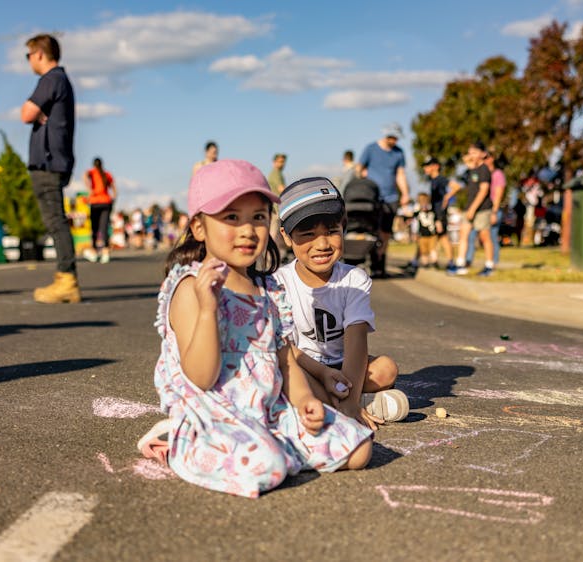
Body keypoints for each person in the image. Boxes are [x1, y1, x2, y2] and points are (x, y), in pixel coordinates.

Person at [140, 159, 373, 498]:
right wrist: (208, 310)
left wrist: (305, 400)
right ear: (200, 227)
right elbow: (201, 377)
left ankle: (277, 445)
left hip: (270, 411)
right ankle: (174, 441)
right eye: (231, 218)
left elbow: (284, 360)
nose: (248, 230)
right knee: (267, 466)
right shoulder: (191, 287)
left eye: (258, 217)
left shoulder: (268, 290)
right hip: (215, 415)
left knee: (359, 450)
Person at [273, 177, 406, 431]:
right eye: (308, 235)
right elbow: (286, 349)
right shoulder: (279, 283)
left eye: (332, 231)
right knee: (282, 376)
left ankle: (343, 404)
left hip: (344, 368)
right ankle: (351, 405)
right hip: (305, 366)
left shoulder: (354, 279)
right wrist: (324, 376)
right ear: (286, 237)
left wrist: (349, 395)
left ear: (343, 226)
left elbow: (356, 340)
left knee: (386, 369)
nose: (322, 244)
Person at [21, 34, 79, 303]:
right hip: (56, 159)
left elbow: (26, 114)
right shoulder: (60, 80)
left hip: (48, 161)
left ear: (40, 54)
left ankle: (66, 280)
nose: (29, 61)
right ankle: (65, 277)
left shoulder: (51, 79)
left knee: (55, 221)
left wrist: (36, 111)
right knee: (56, 221)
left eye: (29, 55)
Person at [358, 123, 411, 278]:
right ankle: (371, 260)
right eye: (391, 137)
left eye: (396, 138)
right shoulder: (371, 149)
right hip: (372, 198)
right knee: (372, 230)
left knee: (386, 232)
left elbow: (400, 174)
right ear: (386, 135)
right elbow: (359, 169)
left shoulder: (398, 153)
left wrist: (405, 194)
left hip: (391, 197)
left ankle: (381, 262)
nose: (394, 140)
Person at [446, 142, 495, 276]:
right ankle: (460, 264)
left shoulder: (484, 169)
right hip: (469, 208)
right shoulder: (471, 170)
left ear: (482, 154)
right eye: (470, 152)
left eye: (474, 152)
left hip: (482, 209)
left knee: (484, 237)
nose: (471, 155)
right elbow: (464, 178)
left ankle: (489, 265)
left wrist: (473, 209)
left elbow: (484, 191)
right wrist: (467, 162)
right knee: (463, 235)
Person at [465, 151, 506, 267]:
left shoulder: (497, 174)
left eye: (487, 157)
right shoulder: (478, 172)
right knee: (470, 235)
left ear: (492, 158)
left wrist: (494, 211)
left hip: (491, 209)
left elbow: (498, 194)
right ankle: (468, 260)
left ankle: (493, 263)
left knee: (491, 237)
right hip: (479, 208)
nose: (484, 160)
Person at [422, 157, 455, 268]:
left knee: (443, 237)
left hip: (440, 213)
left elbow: (456, 186)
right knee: (428, 236)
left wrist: (447, 197)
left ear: (436, 166)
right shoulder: (432, 180)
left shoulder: (440, 179)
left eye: (428, 165)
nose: (425, 168)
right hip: (435, 213)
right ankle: (420, 260)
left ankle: (451, 262)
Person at [83, 157, 116, 263]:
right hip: (106, 202)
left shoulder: (92, 172)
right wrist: (113, 199)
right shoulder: (106, 174)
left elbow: (84, 176)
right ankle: (105, 252)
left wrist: (90, 189)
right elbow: (114, 189)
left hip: (95, 202)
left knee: (95, 228)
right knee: (104, 227)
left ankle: (94, 251)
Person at [267, 153, 287, 252]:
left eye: (283, 162)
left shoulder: (277, 173)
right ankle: (269, 259)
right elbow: (282, 189)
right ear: (274, 162)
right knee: (273, 234)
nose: (282, 164)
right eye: (279, 161)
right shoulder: (276, 173)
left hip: (274, 207)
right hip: (275, 208)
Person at [413, 192, 440, 268]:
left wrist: (438, 226)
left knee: (433, 249)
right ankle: (425, 263)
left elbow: (436, 220)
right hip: (422, 235)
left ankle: (434, 262)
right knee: (423, 250)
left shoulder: (432, 211)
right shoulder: (418, 212)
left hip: (432, 234)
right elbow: (414, 223)